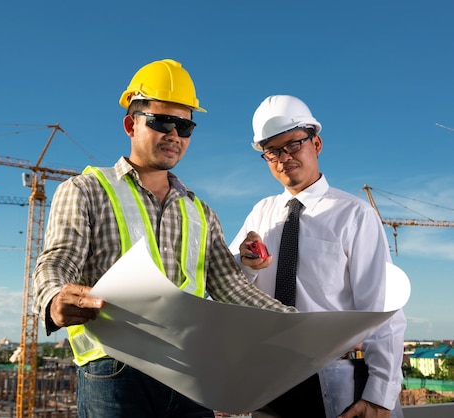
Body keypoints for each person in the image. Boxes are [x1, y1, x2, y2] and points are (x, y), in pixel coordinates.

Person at [33, 59, 297, 418]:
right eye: (162, 122)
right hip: (115, 373)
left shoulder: (201, 212)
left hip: (190, 374)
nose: (174, 135)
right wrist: (53, 298)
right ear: (131, 124)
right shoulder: (86, 190)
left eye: (185, 125)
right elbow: (58, 261)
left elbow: (232, 287)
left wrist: (297, 325)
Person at [228, 95, 407, 418]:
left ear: (317, 143)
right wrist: (245, 265)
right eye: (272, 151)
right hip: (268, 382)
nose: (284, 158)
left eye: (293, 144)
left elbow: (382, 310)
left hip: (333, 382)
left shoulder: (354, 215)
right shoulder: (260, 213)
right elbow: (227, 291)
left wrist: (380, 394)